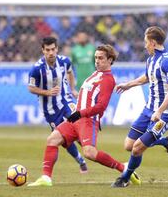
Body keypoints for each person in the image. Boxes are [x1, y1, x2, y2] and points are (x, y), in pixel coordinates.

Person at [28, 44, 141, 187]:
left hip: (88, 121)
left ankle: (124, 168)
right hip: (76, 119)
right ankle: (46, 178)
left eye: (101, 58)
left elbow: (101, 107)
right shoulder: (96, 74)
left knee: (89, 153)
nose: (97, 61)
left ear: (110, 60)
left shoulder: (108, 79)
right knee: (52, 140)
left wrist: (80, 113)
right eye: (95, 58)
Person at [111, 26, 168, 188]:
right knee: (129, 145)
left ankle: (125, 178)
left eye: (146, 42)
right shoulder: (151, 59)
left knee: (136, 149)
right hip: (149, 109)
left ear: (154, 43)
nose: (144, 46)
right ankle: (165, 141)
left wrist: (160, 111)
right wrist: (129, 84)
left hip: (164, 114)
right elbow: (147, 77)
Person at [28, 36, 87, 174]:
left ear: (57, 49)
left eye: (53, 49)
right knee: (64, 140)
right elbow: (31, 88)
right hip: (50, 110)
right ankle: (80, 160)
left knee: (78, 124)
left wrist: (72, 89)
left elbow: (70, 73)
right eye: (47, 50)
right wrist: (47, 92)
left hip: (66, 101)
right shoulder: (37, 69)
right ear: (43, 50)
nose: (51, 52)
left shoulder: (65, 61)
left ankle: (88, 147)